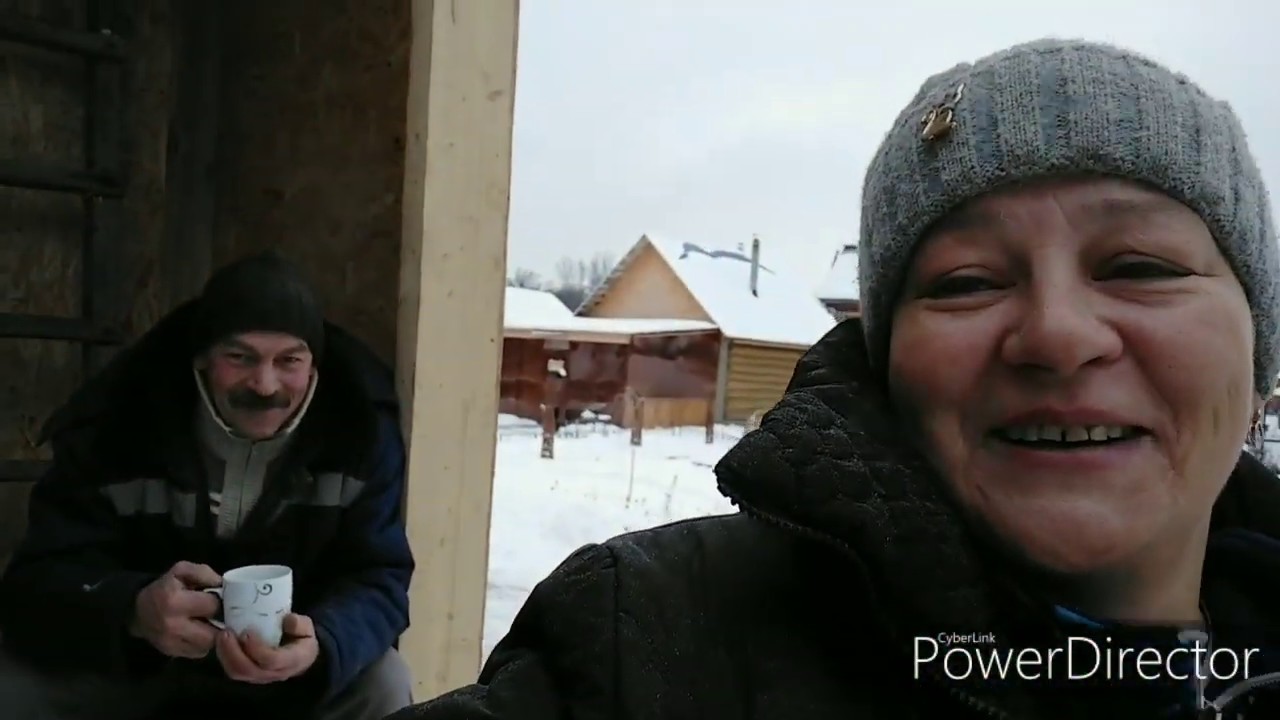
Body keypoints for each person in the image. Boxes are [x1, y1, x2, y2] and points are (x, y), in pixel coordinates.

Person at [389, 38, 1280, 720]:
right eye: (967, 282)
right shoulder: (651, 645)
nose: (1056, 334)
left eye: (1141, 267)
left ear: (1258, 348)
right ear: (885, 361)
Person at [0, 252, 416, 719]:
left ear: (314, 365)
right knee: (12, 686)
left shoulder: (357, 433)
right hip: (139, 670)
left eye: (289, 361)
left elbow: (378, 578)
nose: (264, 384)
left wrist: (322, 644)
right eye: (240, 358)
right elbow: (38, 580)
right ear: (200, 359)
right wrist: (134, 610)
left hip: (285, 678)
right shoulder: (118, 424)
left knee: (384, 683)